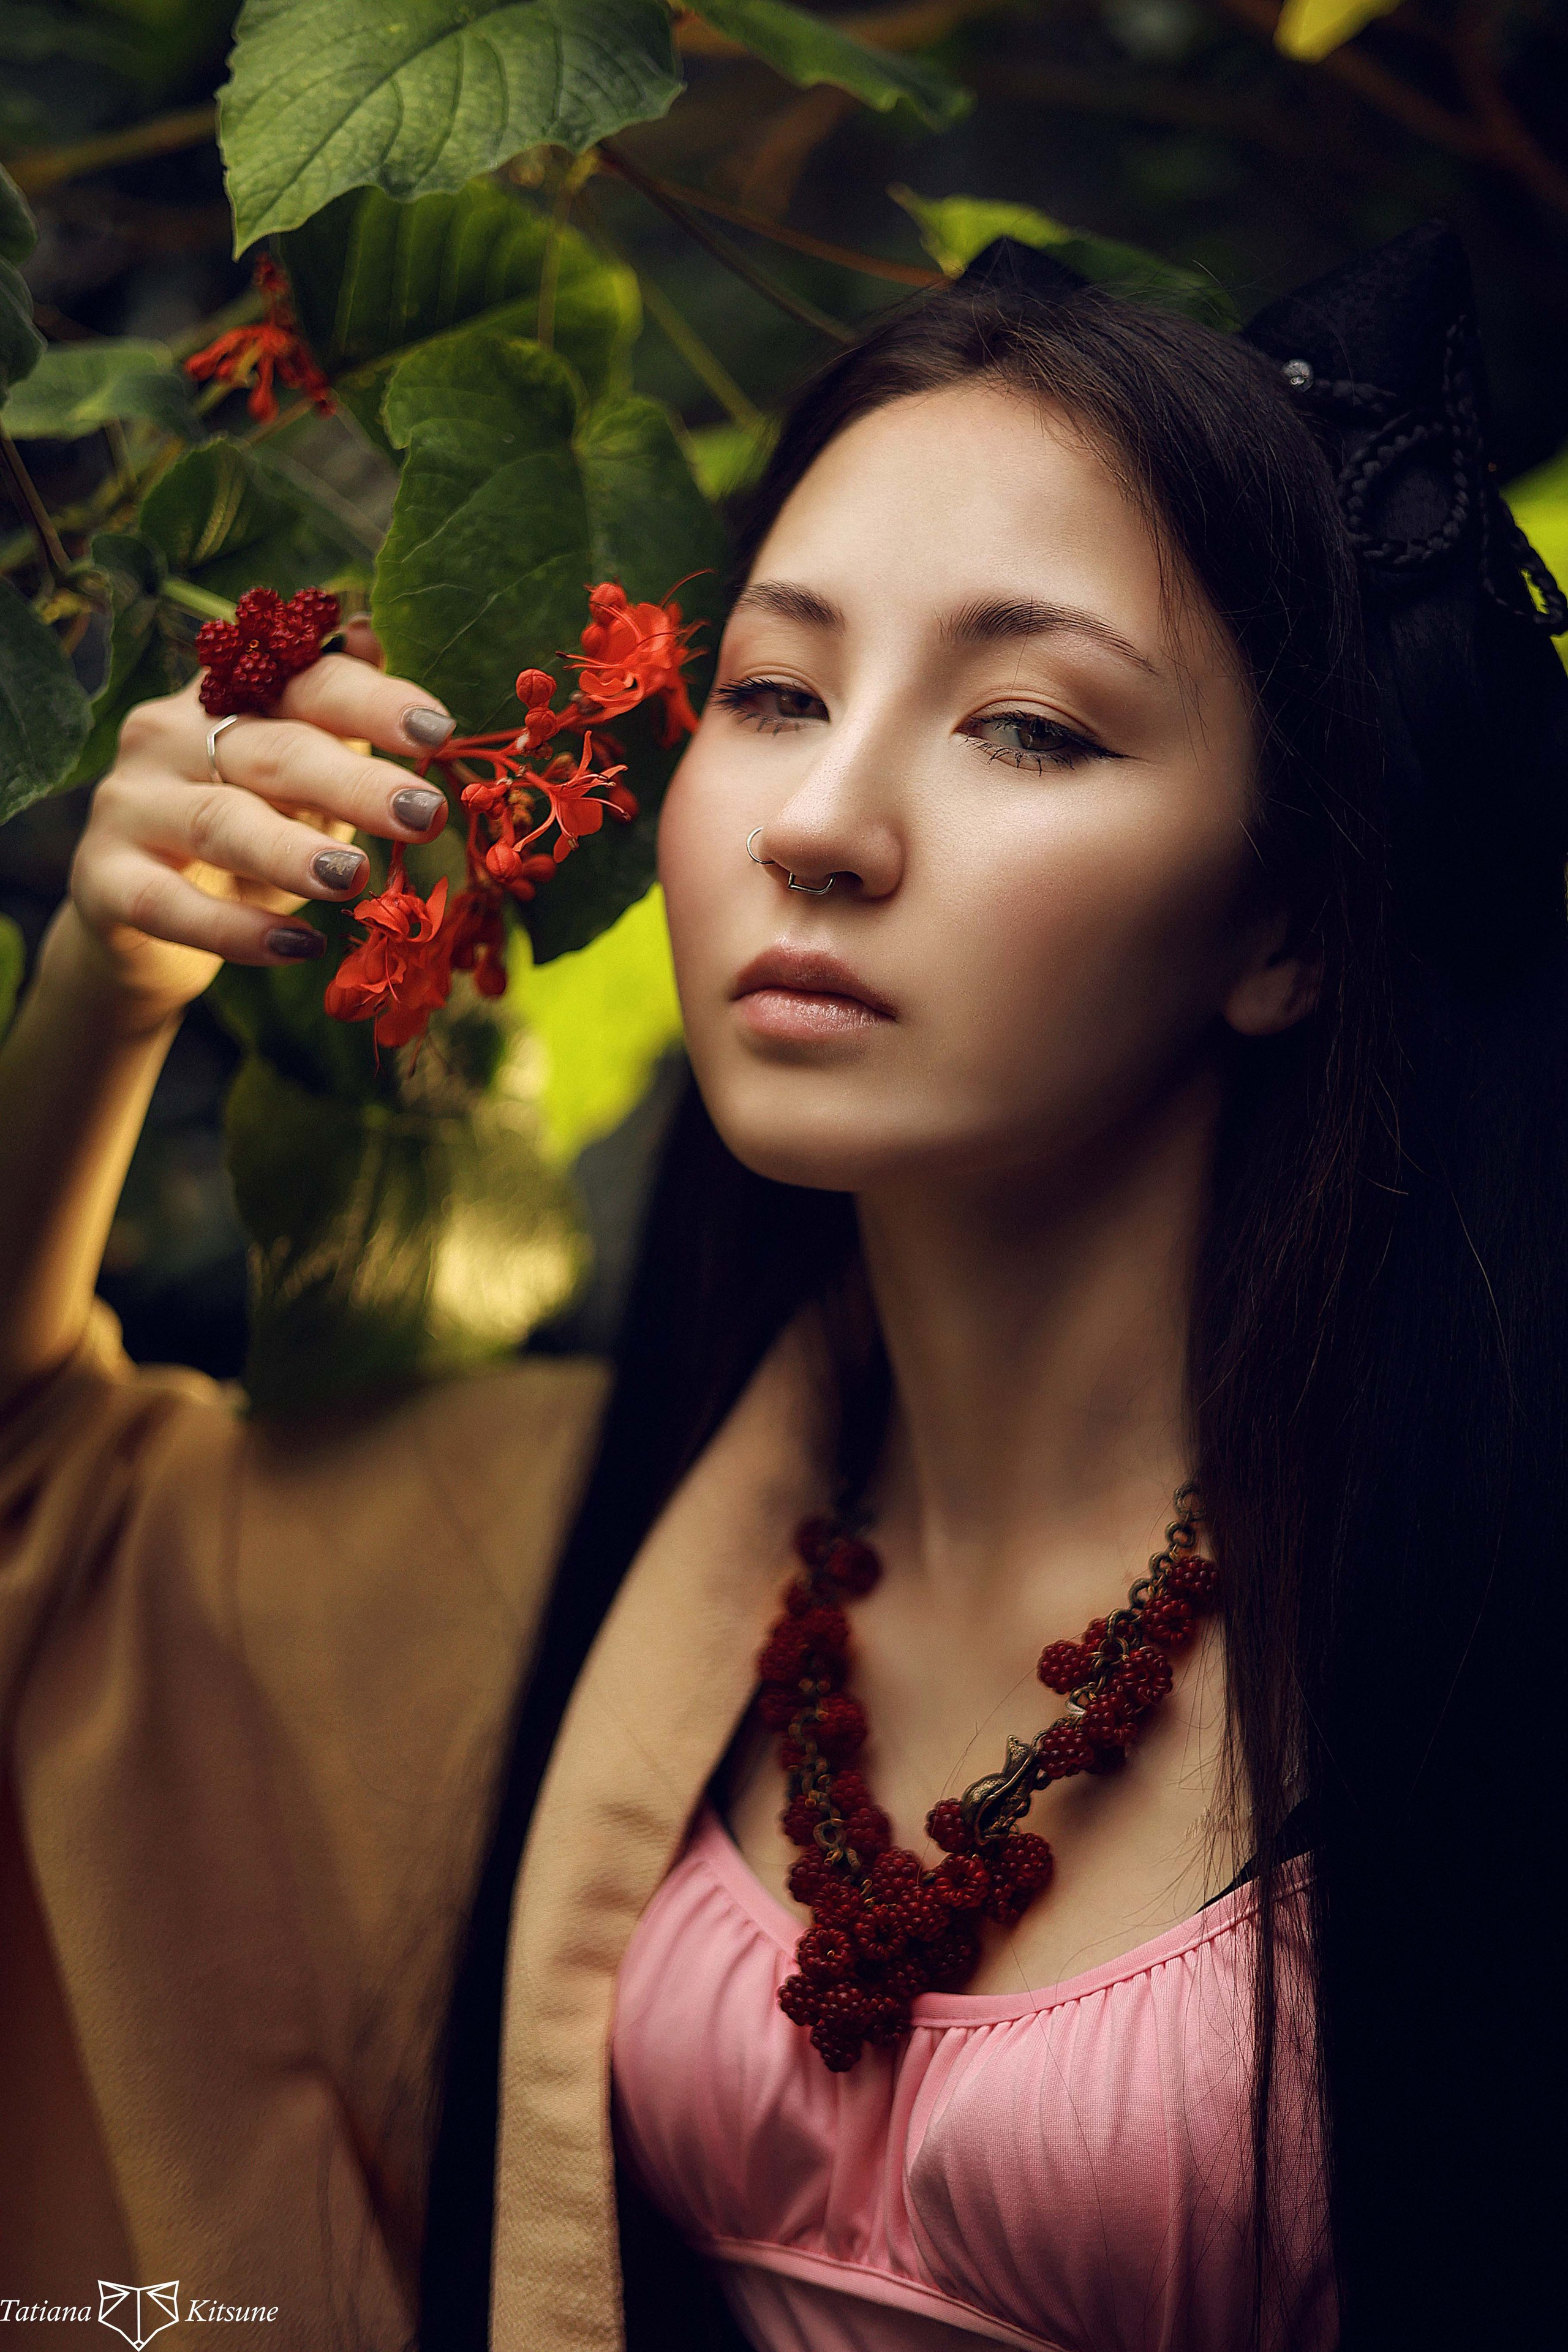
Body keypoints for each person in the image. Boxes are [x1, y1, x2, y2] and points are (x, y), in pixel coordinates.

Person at [1, 222, 1562, 2352]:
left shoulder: (1479, 1597)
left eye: (1024, 727)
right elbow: (32, 1516)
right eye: (771, 691)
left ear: (1289, 921)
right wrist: (113, 984)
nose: (820, 820)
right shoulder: (561, 1536)